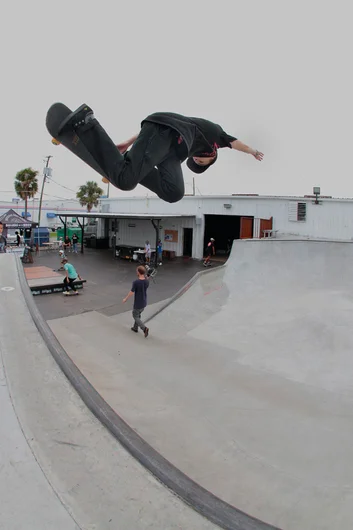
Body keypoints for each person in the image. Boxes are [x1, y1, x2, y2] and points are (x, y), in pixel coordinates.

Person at [58, 105, 264, 204]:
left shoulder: (186, 152)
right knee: (125, 181)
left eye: (198, 163)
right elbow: (236, 143)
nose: (197, 160)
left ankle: (126, 165)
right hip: (165, 130)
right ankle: (86, 124)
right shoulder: (217, 138)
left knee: (174, 193)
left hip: (170, 151)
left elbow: (149, 139)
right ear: (213, 156)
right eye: (199, 161)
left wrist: (131, 145)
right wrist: (253, 151)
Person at [123, 265, 149, 337]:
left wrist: (125, 298)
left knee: (135, 316)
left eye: (136, 271)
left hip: (138, 302)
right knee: (138, 314)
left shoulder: (136, 282)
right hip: (144, 302)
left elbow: (132, 292)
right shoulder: (146, 281)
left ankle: (144, 328)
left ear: (138, 272)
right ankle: (135, 328)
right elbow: (145, 281)